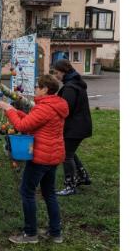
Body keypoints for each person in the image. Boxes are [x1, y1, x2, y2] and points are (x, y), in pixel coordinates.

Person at [0, 73, 70, 244]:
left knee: (27, 192)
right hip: (54, 155)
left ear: (45, 89)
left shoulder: (44, 108)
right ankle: (55, 232)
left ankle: (30, 234)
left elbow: (22, 126)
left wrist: (9, 110)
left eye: (37, 87)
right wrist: (17, 111)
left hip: (41, 157)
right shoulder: (57, 105)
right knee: (49, 193)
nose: (35, 89)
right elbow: (33, 122)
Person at [52, 58, 93, 196]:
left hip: (75, 127)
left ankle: (70, 185)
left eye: (56, 72)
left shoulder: (70, 87)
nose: (55, 75)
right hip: (80, 125)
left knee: (66, 155)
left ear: (64, 72)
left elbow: (65, 109)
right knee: (70, 151)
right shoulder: (75, 83)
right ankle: (82, 176)